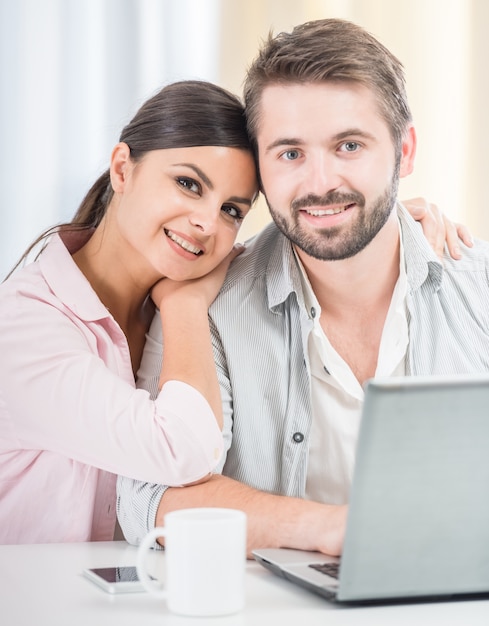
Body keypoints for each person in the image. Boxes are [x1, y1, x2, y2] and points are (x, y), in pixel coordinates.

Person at [117, 18, 487, 557]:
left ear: (404, 152)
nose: (319, 184)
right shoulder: (208, 308)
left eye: (349, 146)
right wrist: (336, 529)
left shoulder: (474, 289)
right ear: (261, 169)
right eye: (290, 153)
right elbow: (148, 501)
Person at [0, 80, 259, 544]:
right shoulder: (23, 325)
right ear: (123, 169)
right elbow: (185, 451)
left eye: (232, 210)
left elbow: (293, 249)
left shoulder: (168, 299)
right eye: (188, 183)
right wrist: (185, 305)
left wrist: (396, 229)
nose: (207, 223)